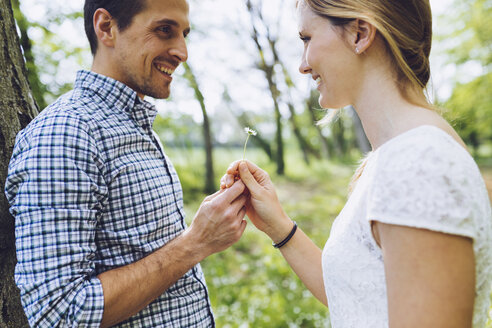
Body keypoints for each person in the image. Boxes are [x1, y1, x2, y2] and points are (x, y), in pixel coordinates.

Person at [222, 0, 492, 327]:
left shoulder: (419, 163)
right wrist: (277, 225)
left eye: (306, 39)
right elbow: (360, 297)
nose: (302, 65)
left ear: (359, 34)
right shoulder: (397, 155)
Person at [4, 0, 248, 327]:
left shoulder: (134, 126)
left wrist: (207, 226)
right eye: (164, 30)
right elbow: (60, 314)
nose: (182, 52)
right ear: (106, 27)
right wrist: (197, 242)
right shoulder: (65, 134)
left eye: (184, 34)